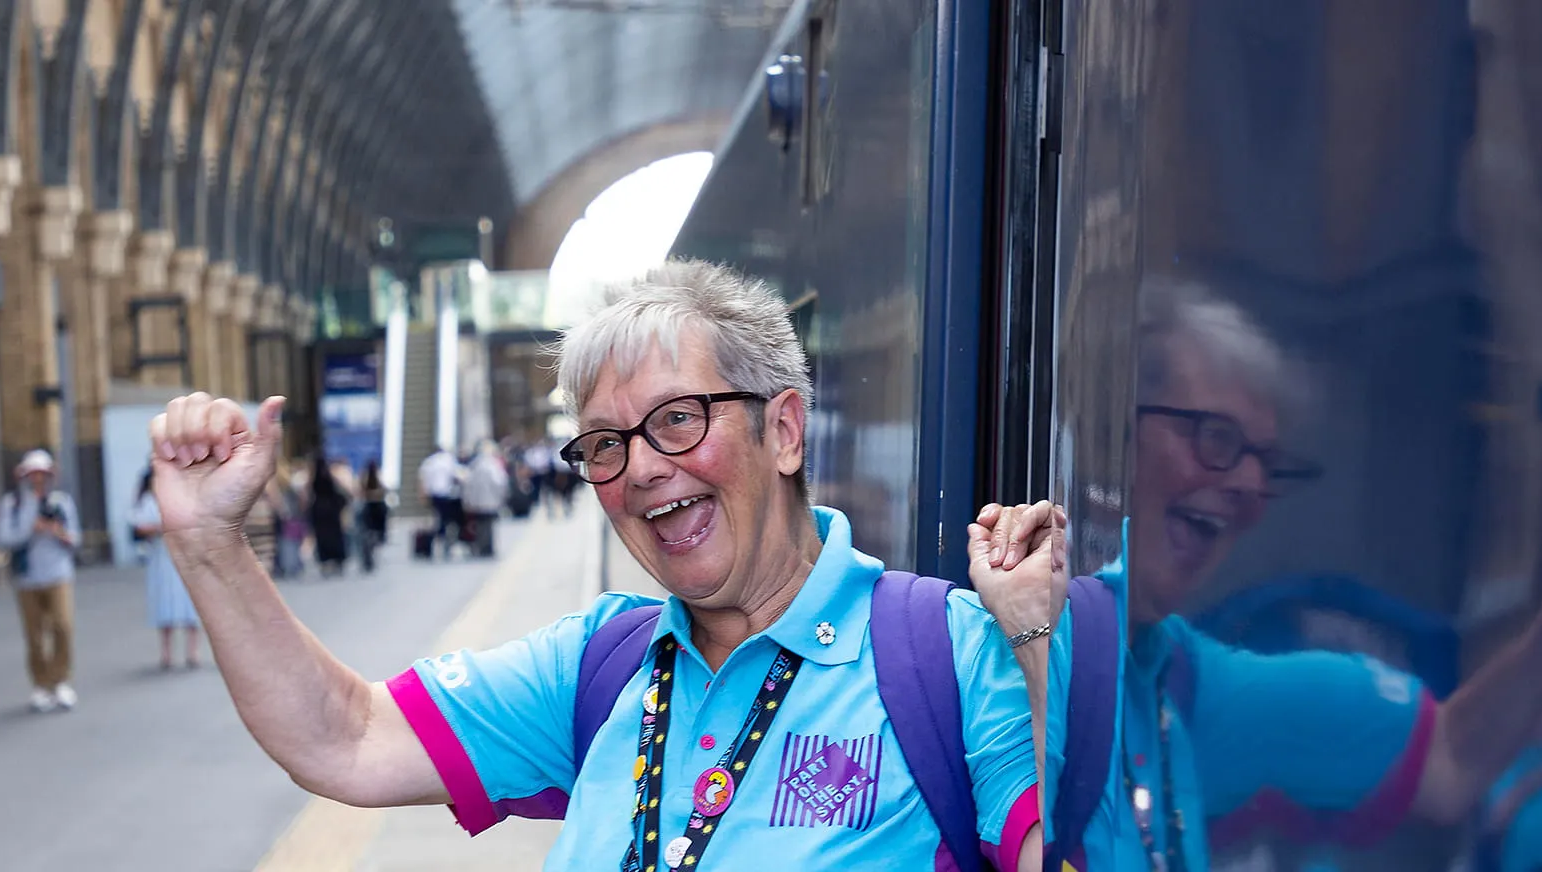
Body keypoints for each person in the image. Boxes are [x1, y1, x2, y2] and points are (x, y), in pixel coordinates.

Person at [145, 259, 1048, 870]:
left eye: (679, 419)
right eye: (605, 444)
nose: (643, 467)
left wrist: (1038, 646)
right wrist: (207, 541)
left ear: (782, 429)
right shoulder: (600, 667)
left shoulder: (945, 655)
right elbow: (342, 737)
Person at [966, 277, 1542, 871]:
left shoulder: (1185, 688)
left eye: (1267, 464)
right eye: (1217, 438)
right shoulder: (983, 655)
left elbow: (1451, 757)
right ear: (1107, 433)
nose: (1246, 489)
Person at [0, 449, 83, 713]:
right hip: (27, 577)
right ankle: (41, 684)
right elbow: (4, 538)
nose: (37, 479)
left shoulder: (60, 502)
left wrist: (58, 532)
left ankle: (61, 680)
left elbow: (75, 538)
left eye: (41, 474)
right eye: (32, 474)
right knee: (34, 634)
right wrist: (30, 529)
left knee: (62, 626)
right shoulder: (13, 504)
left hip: (58, 573)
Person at [135, 469, 203, 670]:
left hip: (185, 556)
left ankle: (192, 651)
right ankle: (166, 653)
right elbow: (140, 526)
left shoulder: (183, 495)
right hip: (161, 558)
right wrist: (161, 527)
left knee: (190, 603)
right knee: (164, 604)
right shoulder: (148, 501)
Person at [456, 442, 510, 558]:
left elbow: (468, 485)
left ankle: (481, 546)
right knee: (489, 525)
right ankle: (488, 547)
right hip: (491, 501)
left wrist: (468, 501)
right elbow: (500, 483)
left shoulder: (474, 466)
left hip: (477, 502)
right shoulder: (493, 466)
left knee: (480, 525)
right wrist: (502, 497)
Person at [418, 445, 464, 556]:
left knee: (437, 518)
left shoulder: (428, 462)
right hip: (448, 494)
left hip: (434, 495)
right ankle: (445, 540)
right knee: (447, 519)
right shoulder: (448, 460)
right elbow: (457, 475)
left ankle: (437, 540)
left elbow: (422, 480)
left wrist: (423, 495)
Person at [358, 461, 390, 572]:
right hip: (375, 507)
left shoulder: (366, 477)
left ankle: (369, 555)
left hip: (372, 507)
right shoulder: (375, 477)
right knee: (373, 534)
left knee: (369, 533)